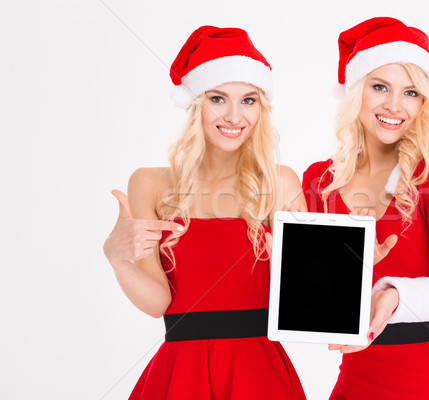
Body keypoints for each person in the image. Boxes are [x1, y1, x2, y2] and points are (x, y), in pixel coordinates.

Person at [103, 25, 306, 400]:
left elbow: (306, 306)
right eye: (218, 99)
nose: (234, 116)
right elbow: (158, 304)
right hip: (181, 375)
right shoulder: (149, 184)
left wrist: (328, 261)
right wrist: (117, 259)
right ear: (195, 102)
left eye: (249, 100)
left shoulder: (280, 182)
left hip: (260, 374)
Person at [302, 17, 429, 399]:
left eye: (410, 93)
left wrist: (393, 295)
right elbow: (312, 295)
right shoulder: (319, 182)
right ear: (356, 92)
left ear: (424, 101)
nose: (394, 106)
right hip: (358, 380)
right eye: (379, 87)